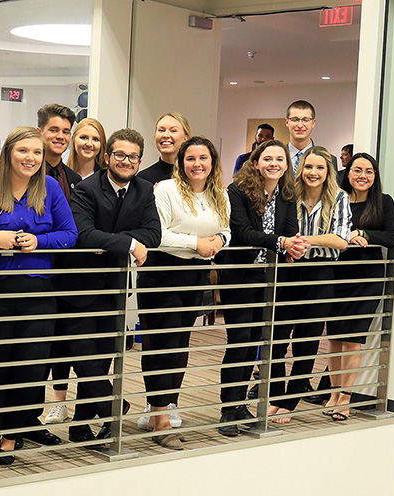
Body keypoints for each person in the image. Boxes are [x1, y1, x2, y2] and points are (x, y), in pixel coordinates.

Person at [0, 126, 77, 468]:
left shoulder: (51, 189)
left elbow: (70, 234)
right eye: (23, 151)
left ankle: (11, 437)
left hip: (39, 295)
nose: (30, 158)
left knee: (28, 370)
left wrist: (39, 242)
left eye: (37, 153)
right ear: (8, 154)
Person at [65, 128, 161, 442]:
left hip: (116, 290)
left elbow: (154, 234)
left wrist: (119, 242)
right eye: (119, 154)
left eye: (132, 157)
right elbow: (84, 234)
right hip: (80, 288)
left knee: (104, 356)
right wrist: (130, 244)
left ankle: (81, 425)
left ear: (139, 160)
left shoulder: (144, 190)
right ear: (107, 157)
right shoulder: (86, 189)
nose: (125, 161)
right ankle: (112, 405)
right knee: (83, 355)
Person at [139, 136, 231, 449]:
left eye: (203, 158)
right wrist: (196, 244)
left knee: (180, 345)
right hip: (163, 273)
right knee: (162, 344)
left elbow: (227, 229)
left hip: (196, 275)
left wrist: (220, 241)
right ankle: (160, 417)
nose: (197, 164)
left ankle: (160, 411)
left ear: (212, 162)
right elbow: (157, 234)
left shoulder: (219, 194)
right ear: (181, 162)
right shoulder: (166, 189)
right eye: (190, 158)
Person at [217, 140, 308, 436]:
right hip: (241, 275)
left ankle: (241, 402)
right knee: (240, 339)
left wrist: (294, 243)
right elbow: (242, 233)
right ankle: (228, 408)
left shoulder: (286, 194)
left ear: (286, 165)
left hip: (270, 278)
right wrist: (281, 243)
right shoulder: (237, 191)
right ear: (256, 162)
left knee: (255, 340)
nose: (274, 164)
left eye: (279, 159)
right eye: (267, 158)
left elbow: (291, 229)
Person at [14, 103, 82, 446]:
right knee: (20, 356)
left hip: (63, 277)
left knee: (44, 352)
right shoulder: (15, 176)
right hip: (24, 278)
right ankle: (17, 420)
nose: (60, 137)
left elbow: (72, 231)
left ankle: (31, 418)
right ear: (40, 131)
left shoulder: (72, 179)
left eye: (65, 132)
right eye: (53, 130)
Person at [268, 146, 350, 423]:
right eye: (308, 167)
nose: (313, 173)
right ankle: (275, 396)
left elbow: (340, 240)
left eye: (320, 168)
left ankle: (290, 403)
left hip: (320, 275)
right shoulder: (289, 196)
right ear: (300, 169)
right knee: (276, 342)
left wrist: (304, 241)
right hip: (289, 272)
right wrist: (294, 244)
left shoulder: (339, 198)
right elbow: (279, 233)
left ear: (329, 172)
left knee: (306, 342)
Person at [45, 116, 108, 425]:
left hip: (94, 272)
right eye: (82, 137)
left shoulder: (108, 178)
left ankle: (90, 408)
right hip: (59, 266)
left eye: (95, 139)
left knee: (87, 341)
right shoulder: (61, 176)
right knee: (59, 339)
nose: (88, 143)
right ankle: (59, 402)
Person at [326, 153, 394, 420]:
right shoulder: (337, 200)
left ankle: (345, 397)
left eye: (369, 171)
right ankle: (333, 392)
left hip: (366, 280)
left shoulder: (383, 202)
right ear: (348, 172)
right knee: (333, 337)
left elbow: (391, 236)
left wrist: (363, 234)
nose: (363, 176)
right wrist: (347, 235)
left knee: (353, 340)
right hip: (336, 275)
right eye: (357, 170)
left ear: (375, 176)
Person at [285, 100, 338, 175]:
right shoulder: (276, 157)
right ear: (287, 122)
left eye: (305, 120)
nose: (300, 125)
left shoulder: (329, 159)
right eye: (295, 120)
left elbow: (331, 186)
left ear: (313, 123)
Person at [138, 112, 191, 185]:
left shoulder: (194, 174)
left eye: (173, 131)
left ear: (185, 138)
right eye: (161, 130)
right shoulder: (143, 178)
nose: (166, 135)